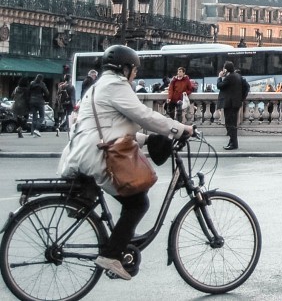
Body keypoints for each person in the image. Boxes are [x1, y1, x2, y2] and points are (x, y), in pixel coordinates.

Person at [57, 44, 193, 281]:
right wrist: (179, 129)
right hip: (96, 155)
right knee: (138, 203)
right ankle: (112, 255)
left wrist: (146, 139)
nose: (136, 73)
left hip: (86, 149)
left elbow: (113, 127)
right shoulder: (115, 85)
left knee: (133, 200)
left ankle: (117, 245)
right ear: (125, 67)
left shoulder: (101, 84)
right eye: (134, 69)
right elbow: (143, 115)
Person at [216, 60, 248, 150]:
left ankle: (233, 143)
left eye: (224, 68)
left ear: (226, 69)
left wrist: (219, 77)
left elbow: (219, 86)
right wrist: (241, 98)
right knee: (232, 123)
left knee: (230, 124)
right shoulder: (238, 76)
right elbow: (247, 87)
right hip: (235, 103)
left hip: (229, 104)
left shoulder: (229, 77)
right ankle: (232, 142)